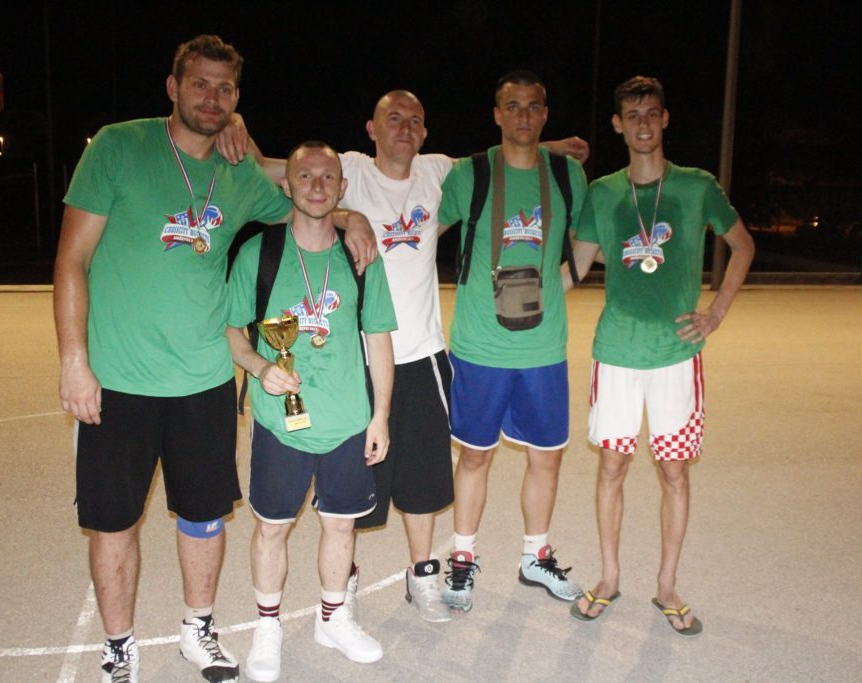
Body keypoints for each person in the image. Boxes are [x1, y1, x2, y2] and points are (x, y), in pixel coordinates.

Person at [53, 35, 376, 683]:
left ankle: (197, 629)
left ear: (237, 99)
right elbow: (71, 260)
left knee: (203, 517)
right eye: (199, 84)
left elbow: (304, 200)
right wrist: (74, 360)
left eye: (225, 88)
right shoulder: (119, 146)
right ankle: (118, 645)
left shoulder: (238, 175)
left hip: (203, 379)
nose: (211, 98)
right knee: (114, 522)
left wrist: (351, 215)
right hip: (119, 378)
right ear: (173, 87)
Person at [216, 92, 589, 621]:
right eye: (393, 119)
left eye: (415, 120)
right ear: (371, 128)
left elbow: (507, 151)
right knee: (353, 477)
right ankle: (344, 576)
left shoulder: (437, 171)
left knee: (423, 477)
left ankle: (422, 573)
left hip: (422, 351)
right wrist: (234, 120)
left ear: (426, 132)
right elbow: (275, 171)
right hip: (354, 354)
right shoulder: (350, 169)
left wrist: (546, 144)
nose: (405, 128)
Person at [565, 76, 755, 635]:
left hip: (676, 352)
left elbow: (743, 245)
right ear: (617, 125)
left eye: (651, 113)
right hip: (617, 352)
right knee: (612, 466)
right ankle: (609, 577)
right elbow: (576, 268)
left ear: (665, 119)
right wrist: (523, 292)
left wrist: (716, 312)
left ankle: (667, 585)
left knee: (674, 472)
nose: (643, 123)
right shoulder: (603, 192)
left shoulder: (696, 186)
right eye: (632, 115)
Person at [225, 142, 397, 681]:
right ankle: (267, 627)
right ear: (287, 184)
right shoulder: (259, 254)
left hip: (347, 420)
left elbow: (380, 338)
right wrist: (260, 367)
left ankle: (333, 618)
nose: (317, 186)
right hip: (281, 422)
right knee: (272, 529)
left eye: (328, 177)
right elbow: (231, 331)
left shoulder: (360, 256)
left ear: (342, 189)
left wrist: (381, 416)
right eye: (305, 176)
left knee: (341, 526)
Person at [435, 70, 588, 613]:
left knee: (547, 458)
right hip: (480, 347)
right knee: (475, 457)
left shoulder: (568, 175)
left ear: (545, 114)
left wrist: (560, 285)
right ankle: (462, 557)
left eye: (533, 106)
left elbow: (587, 242)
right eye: (513, 106)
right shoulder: (470, 174)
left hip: (543, 348)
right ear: (497, 114)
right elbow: (419, 229)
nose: (523, 115)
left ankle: (534, 556)